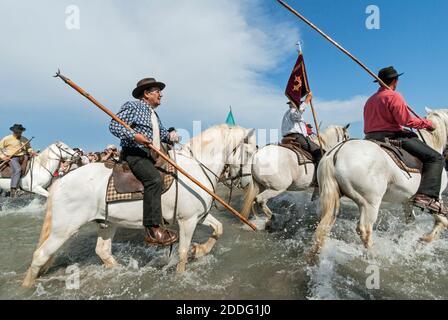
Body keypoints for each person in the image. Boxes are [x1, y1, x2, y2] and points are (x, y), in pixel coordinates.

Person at [364, 66, 445, 214]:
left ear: (379, 82)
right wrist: (427, 124)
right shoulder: (394, 96)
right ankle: (426, 196)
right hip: (392, 136)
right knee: (436, 158)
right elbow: (405, 121)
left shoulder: (370, 100)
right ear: (396, 80)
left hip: (370, 137)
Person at [109, 77, 179, 246]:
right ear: (146, 94)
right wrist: (134, 136)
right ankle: (152, 230)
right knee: (154, 180)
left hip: (150, 156)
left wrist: (172, 136)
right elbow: (114, 125)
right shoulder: (133, 106)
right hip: (135, 153)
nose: (161, 94)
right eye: (157, 91)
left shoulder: (154, 114)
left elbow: (162, 134)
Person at [281, 92, 323, 184]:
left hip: (291, 137)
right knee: (320, 152)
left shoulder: (288, 113)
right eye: (299, 103)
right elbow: (297, 114)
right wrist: (307, 100)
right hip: (296, 136)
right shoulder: (293, 111)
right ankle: (320, 180)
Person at [0, 124, 37, 198]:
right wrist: (3, 157)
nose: (19, 133)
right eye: (17, 132)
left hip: (24, 157)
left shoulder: (24, 139)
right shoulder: (6, 139)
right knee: (18, 169)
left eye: (20, 132)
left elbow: (28, 148)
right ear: (13, 131)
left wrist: (31, 151)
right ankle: (13, 189)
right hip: (12, 158)